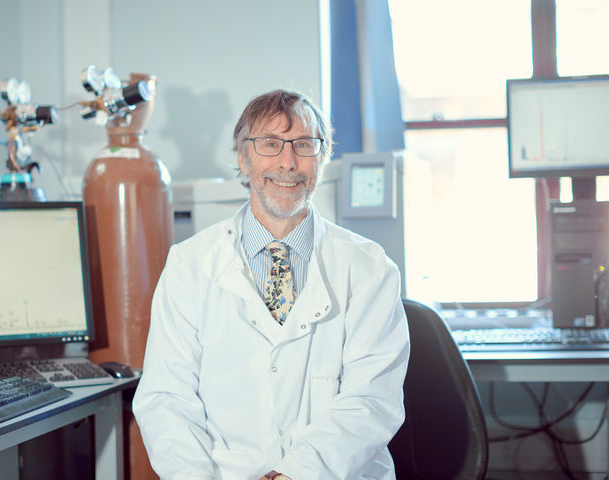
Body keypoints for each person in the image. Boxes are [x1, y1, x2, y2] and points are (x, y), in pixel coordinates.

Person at [133, 89, 410, 480]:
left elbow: (371, 400)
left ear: (323, 159)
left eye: (304, 145)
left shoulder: (369, 269)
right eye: (269, 144)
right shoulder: (189, 264)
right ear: (243, 160)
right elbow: (167, 398)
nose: (288, 161)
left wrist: (293, 475)